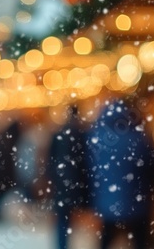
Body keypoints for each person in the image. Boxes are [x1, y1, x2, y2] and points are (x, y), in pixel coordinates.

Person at [86, 96, 154, 249]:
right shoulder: (138, 138)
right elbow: (151, 167)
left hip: (108, 201)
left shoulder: (97, 137)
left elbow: (90, 169)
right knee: (139, 240)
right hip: (136, 200)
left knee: (106, 238)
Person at [46, 106, 90, 249]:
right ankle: (65, 244)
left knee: (62, 218)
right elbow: (85, 161)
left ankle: (61, 245)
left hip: (61, 181)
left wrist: (52, 178)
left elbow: (50, 159)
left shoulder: (59, 132)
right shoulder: (81, 133)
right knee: (70, 218)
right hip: (75, 182)